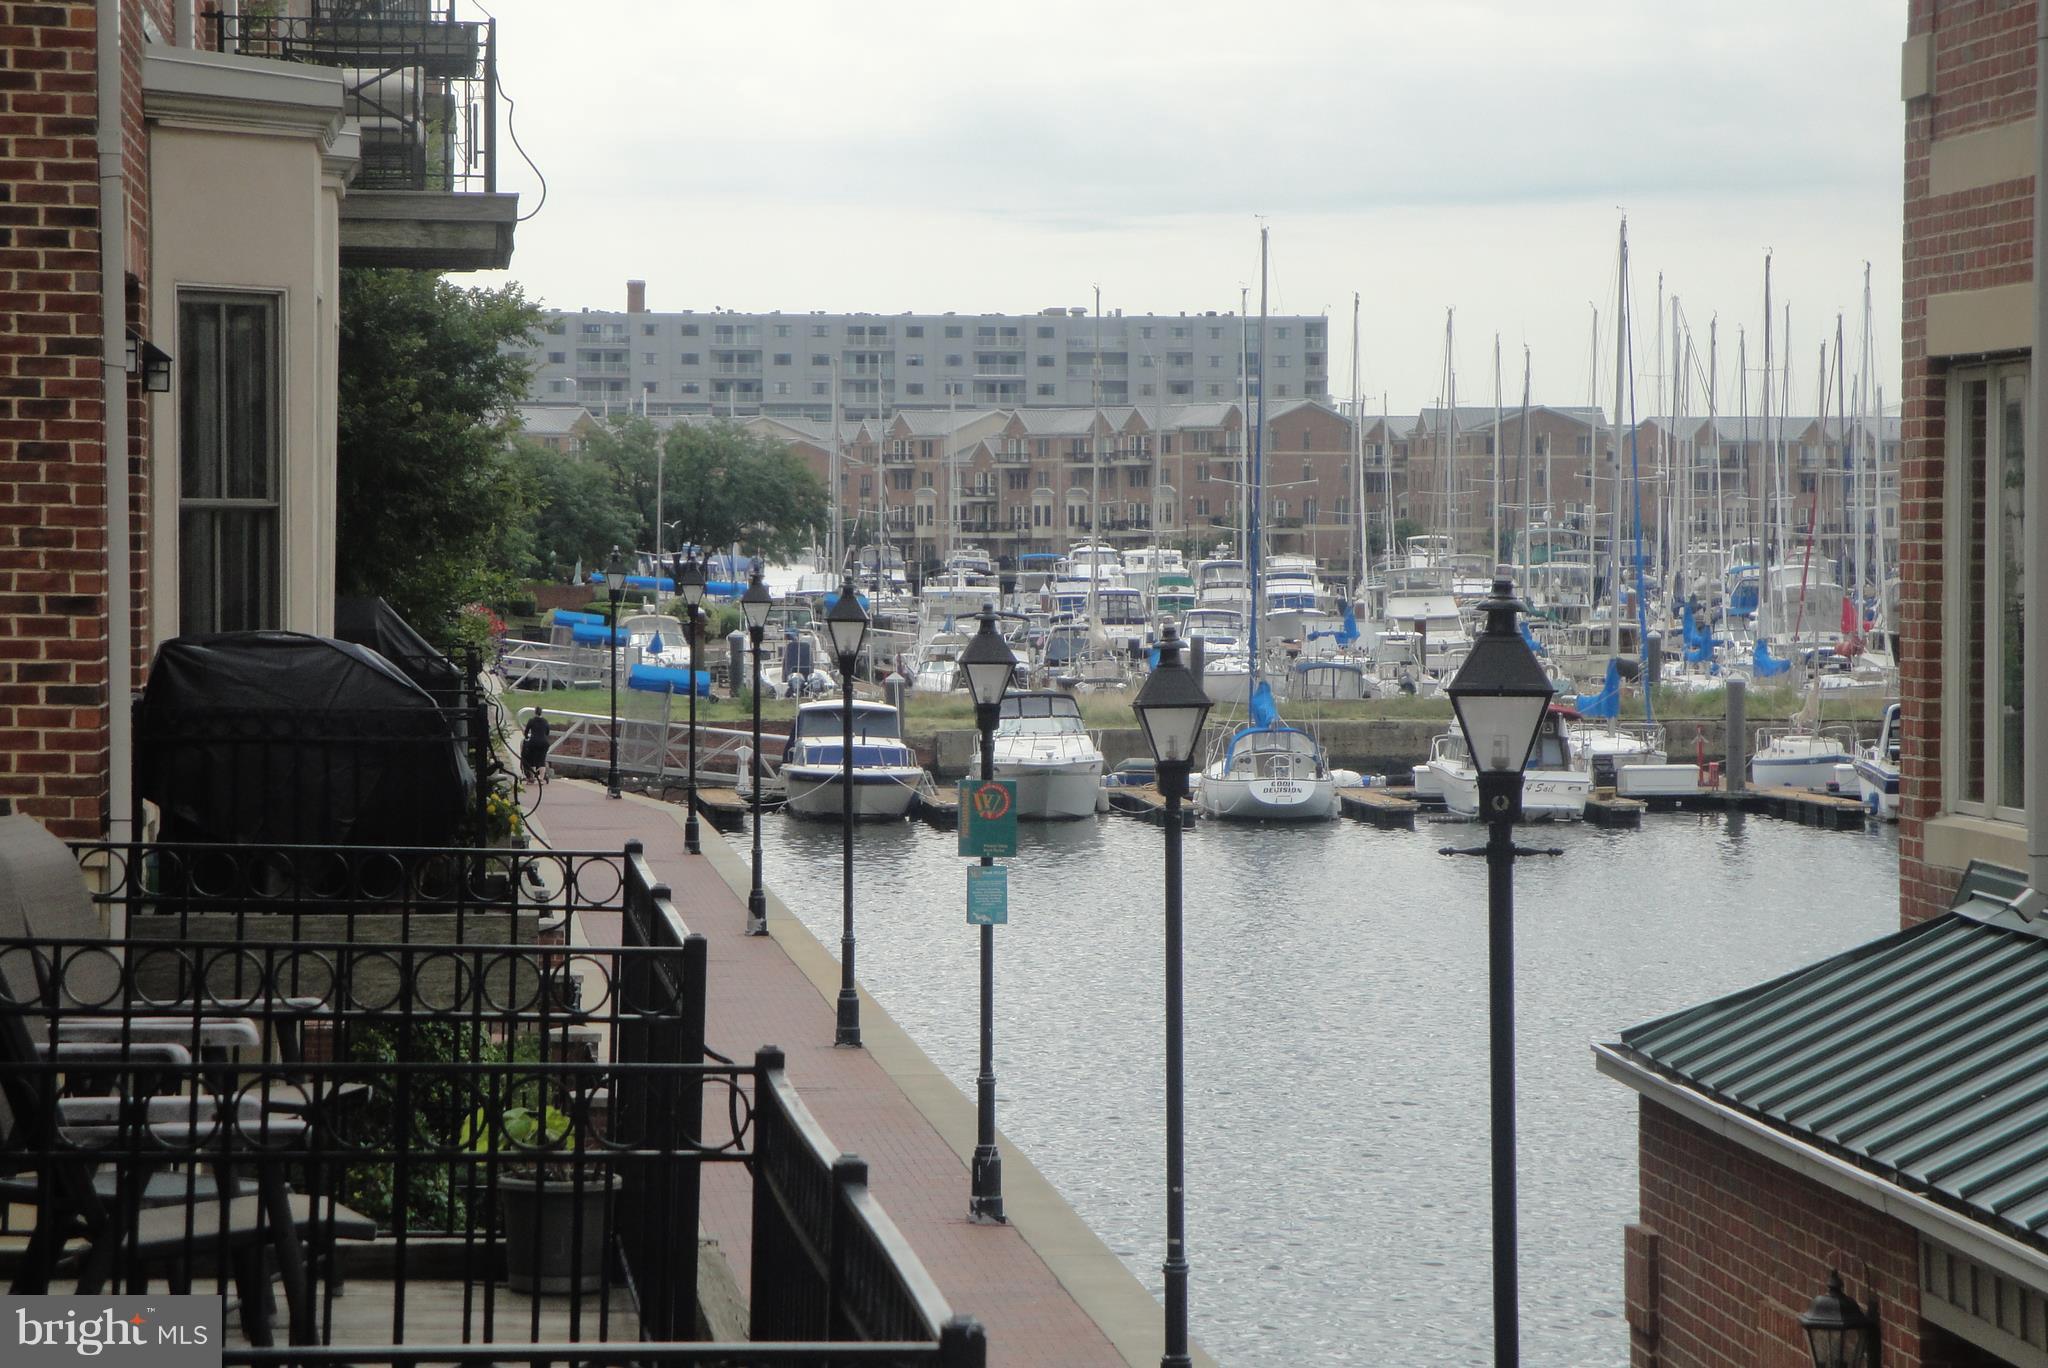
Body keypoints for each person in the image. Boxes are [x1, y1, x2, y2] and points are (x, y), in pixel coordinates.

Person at [520, 711, 553, 781]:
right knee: (542, 760)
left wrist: (526, 737)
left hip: (533, 742)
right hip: (544, 743)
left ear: (535, 713)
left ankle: (532, 777)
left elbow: (526, 731)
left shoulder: (531, 721)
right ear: (541, 713)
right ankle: (541, 778)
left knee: (532, 760)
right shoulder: (545, 721)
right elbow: (547, 732)